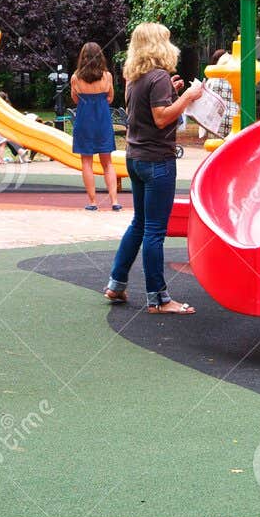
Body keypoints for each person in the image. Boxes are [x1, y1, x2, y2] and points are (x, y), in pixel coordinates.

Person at [105, 23, 200, 314]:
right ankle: (158, 299)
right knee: (155, 230)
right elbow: (160, 119)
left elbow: (145, 111)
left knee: (140, 225)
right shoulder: (158, 76)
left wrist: (171, 93)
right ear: (160, 45)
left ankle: (116, 284)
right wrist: (186, 98)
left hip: (135, 157)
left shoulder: (135, 78)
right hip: (157, 159)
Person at [70, 41, 121, 211]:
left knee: (87, 163)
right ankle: (114, 201)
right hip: (102, 120)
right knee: (108, 163)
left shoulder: (76, 78)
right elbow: (110, 98)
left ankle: (92, 202)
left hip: (84, 120)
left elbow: (75, 99)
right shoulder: (107, 76)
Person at [200, 48, 236, 140]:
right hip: (234, 120)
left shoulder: (212, 80)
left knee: (216, 148)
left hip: (216, 122)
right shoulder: (236, 78)